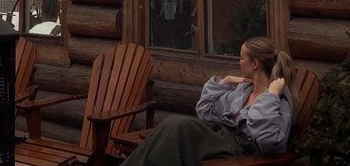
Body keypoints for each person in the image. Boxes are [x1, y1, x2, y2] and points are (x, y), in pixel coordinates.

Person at [121, 37, 296, 166]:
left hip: (237, 158)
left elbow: (270, 142)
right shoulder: (243, 92)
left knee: (178, 125)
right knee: (171, 130)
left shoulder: (278, 100)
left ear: (255, 63)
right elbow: (206, 113)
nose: (239, 62)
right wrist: (225, 82)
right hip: (218, 145)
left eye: (242, 58)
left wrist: (271, 95)